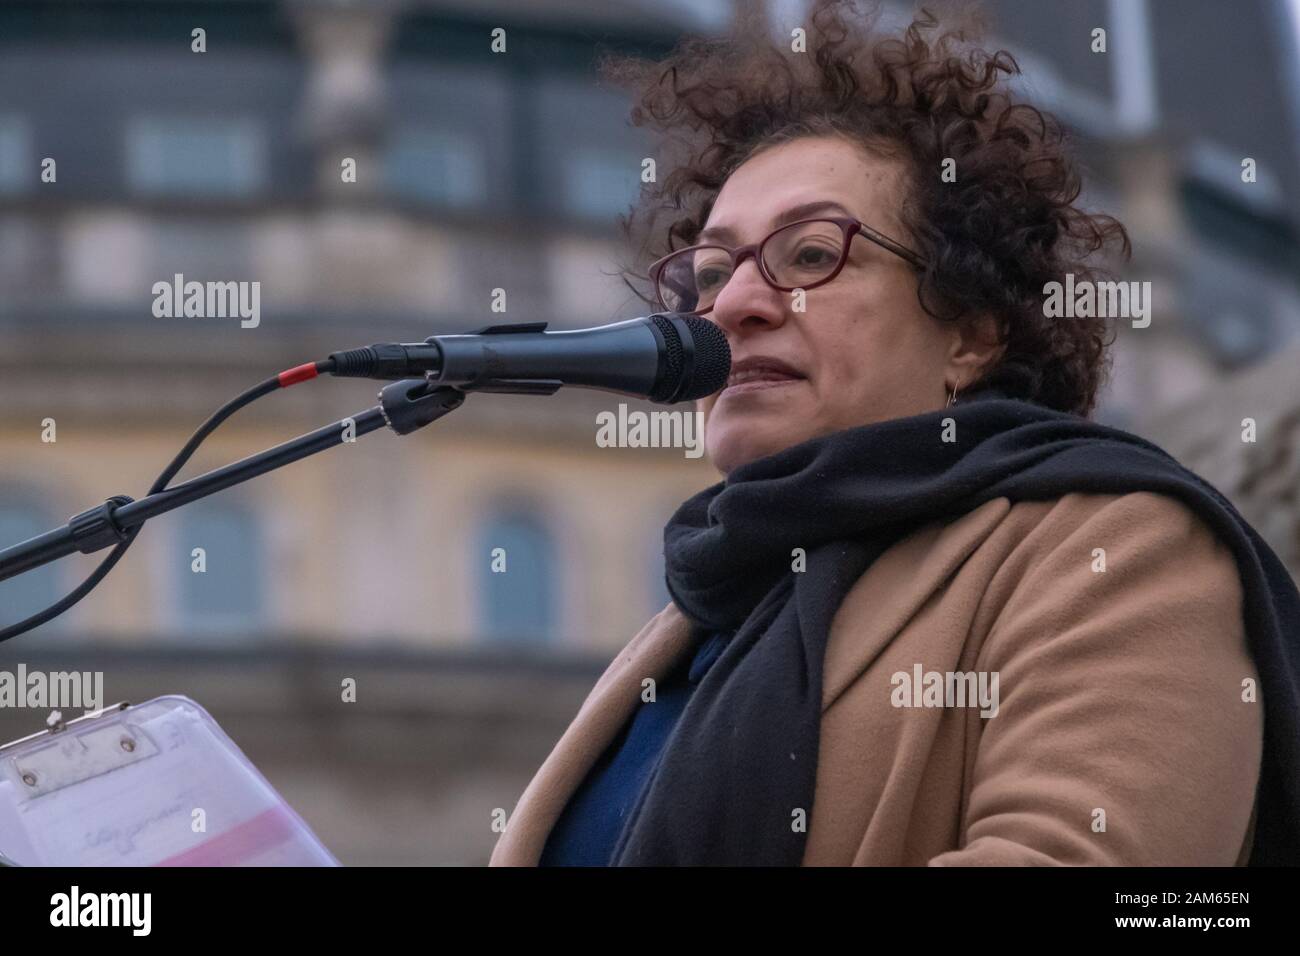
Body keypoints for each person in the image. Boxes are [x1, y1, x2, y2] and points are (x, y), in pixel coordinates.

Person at [490, 1, 1300, 866]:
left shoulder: (1118, 551)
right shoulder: (695, 624)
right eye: (713, 271)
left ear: (970, 331)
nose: (731, 305)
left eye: (809, 256)